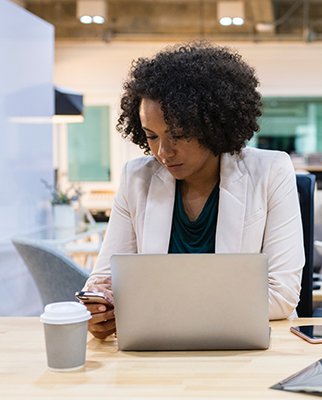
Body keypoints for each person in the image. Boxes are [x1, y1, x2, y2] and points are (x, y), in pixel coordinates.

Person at [82, 42, 304, 339]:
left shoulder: (271, 171)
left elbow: (281, 295)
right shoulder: (136, 178)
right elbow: (104, 282)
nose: (163, 152)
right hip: (156, 346)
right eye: (151, 136)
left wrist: (146, 309)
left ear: (213, 124)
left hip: (247, 348)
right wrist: (100, 310)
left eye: (179, 135)